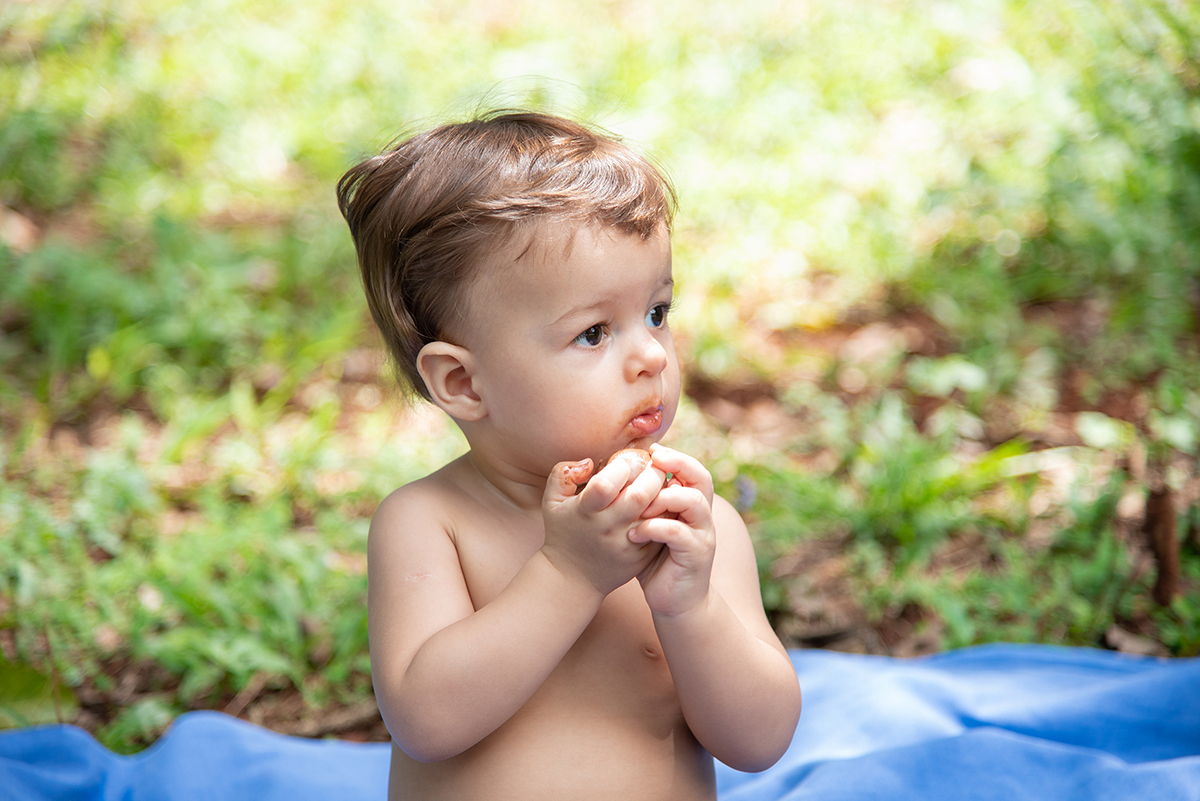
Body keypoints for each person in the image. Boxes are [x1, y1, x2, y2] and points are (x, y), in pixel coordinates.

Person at [336, 110, 802, 801]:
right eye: (592, 333)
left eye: (656, 312)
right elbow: (427, 719)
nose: (650, 355)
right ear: (464, 382)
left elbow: (760, 741)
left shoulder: (692, 528)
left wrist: (690, 610)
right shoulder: (431, 522)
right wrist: (568, 572)